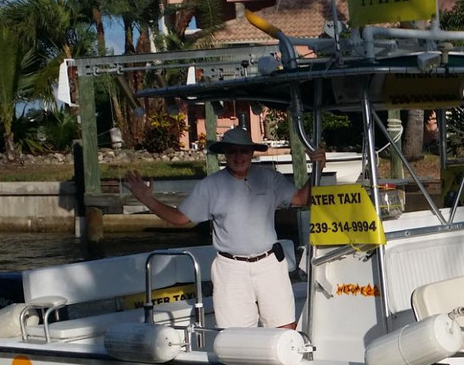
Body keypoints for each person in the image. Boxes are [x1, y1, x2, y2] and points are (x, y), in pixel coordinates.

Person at [123, 125, 323, 330]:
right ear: (224, 154)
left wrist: (318, 167)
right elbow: (179, 218)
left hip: (269, 263)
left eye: (243, 151)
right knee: (236, 337)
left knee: (284, 329)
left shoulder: (269, 178)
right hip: (230, 268)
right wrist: (147, 199)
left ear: (252, 153)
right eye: (232, 151)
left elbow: (301, 199)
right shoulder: (210, 185)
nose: (238, 156)